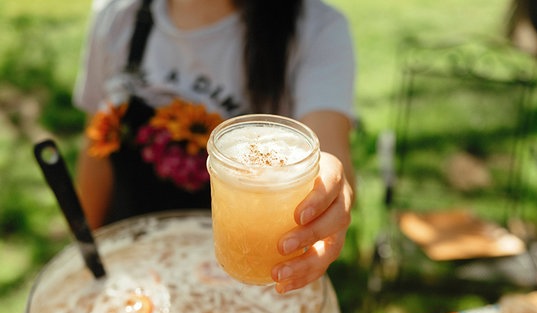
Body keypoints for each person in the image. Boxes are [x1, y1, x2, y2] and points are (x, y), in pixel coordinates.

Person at [73, 0, 356, 294]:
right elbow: (97, 148)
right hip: (134, 267)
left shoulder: (316, 29)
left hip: (247, 287)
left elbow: (329, 146)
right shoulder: (118, 15)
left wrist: (330, 188)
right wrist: (87, 251)